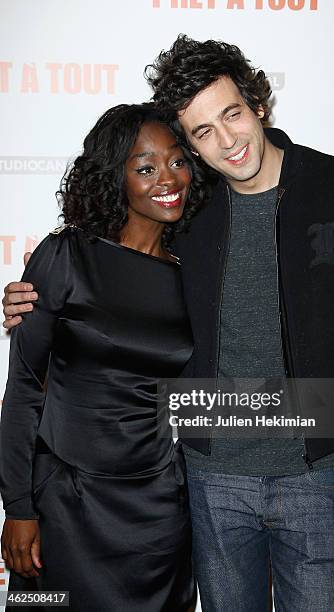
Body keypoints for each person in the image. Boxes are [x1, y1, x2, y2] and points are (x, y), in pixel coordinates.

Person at [4, 36, 334, 612]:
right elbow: (109, 256)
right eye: (201, 132)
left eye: (232, 114)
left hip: (315, 476)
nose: (227, 141)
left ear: (258, 103)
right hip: (207, 479)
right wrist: (31, 294)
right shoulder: (189, 210)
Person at [0, 102, 209, 611]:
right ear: (113, 178)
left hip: (158, 509)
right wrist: (18, 507)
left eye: (178, 160)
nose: (168, 178)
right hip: (65, 501)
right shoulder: (66, 254)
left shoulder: (197, 273)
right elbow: (25, 386)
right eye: (144, 167)